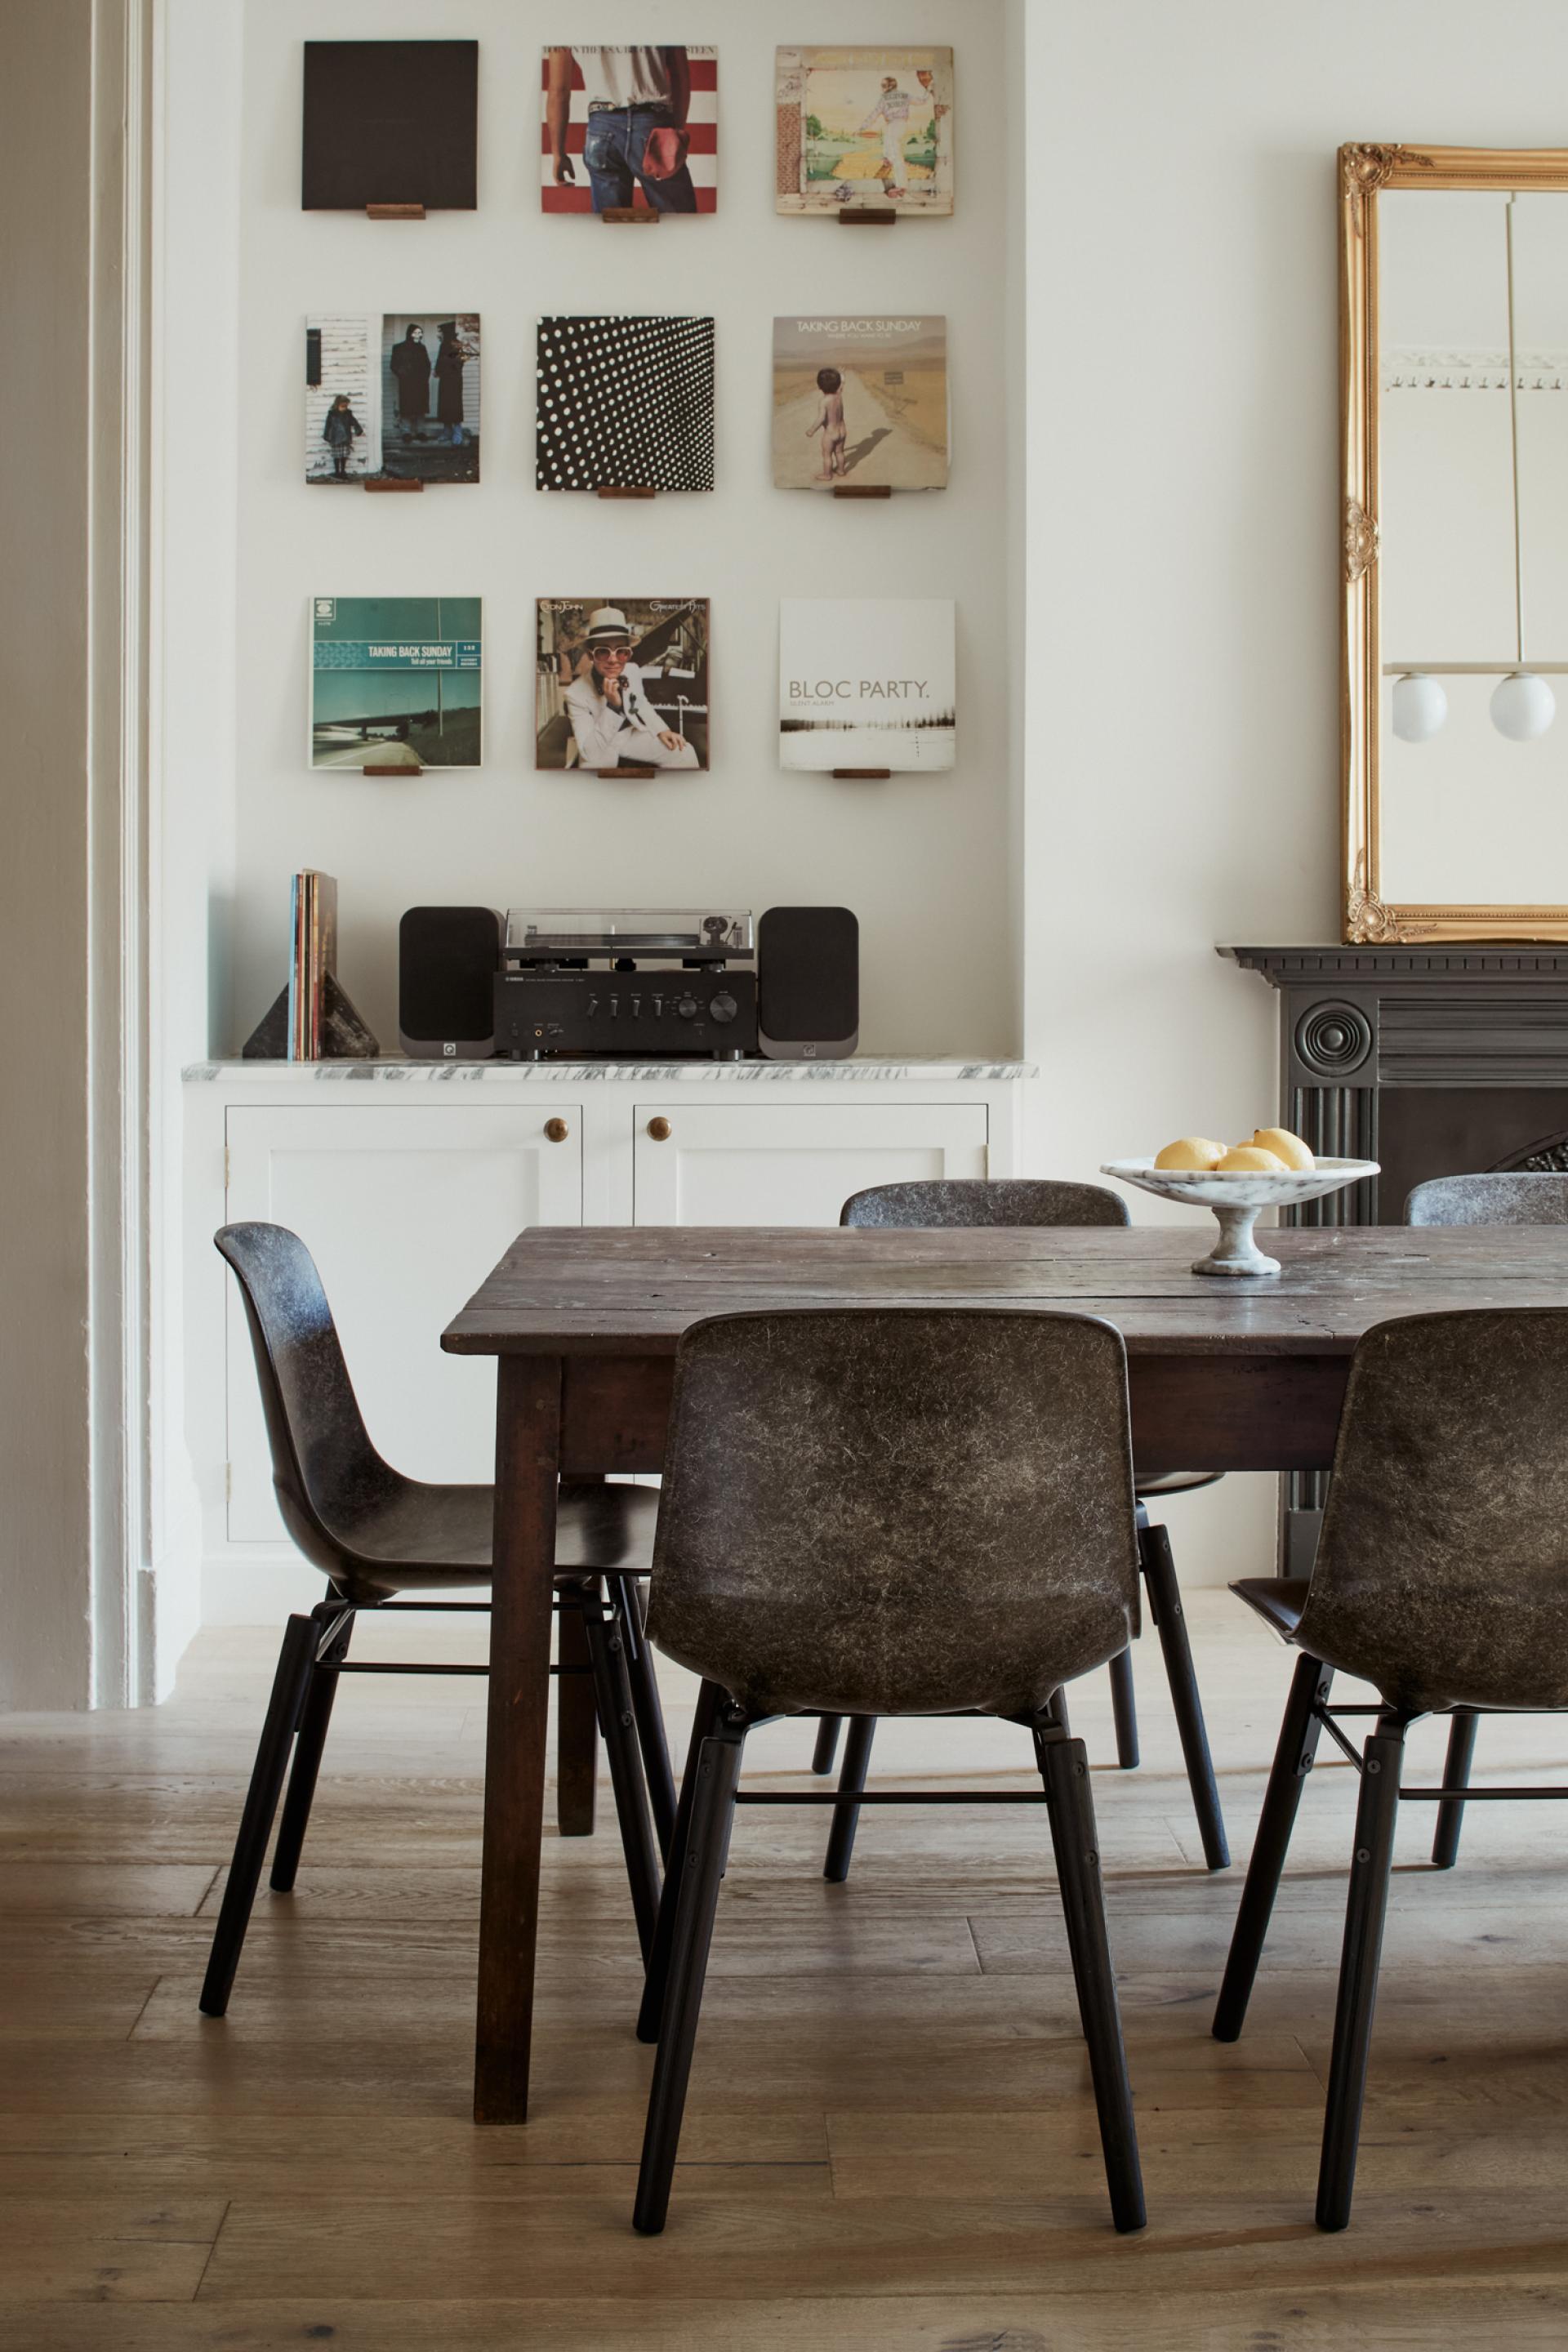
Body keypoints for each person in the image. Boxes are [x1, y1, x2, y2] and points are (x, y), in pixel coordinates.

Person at [546, 46, 697, 215]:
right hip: (652, 121)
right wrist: (674, 136)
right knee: (680, 222)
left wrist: (558, 153)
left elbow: (558, 91)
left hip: (601, 129)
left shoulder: (566, 24)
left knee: (612, 229)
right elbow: (680, 76)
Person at [559, 608, 700, 769]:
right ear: (591, 656)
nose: (613, 660)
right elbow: (590, 753)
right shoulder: (574, 695)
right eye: (603, 651)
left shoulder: (632, 670)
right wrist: (613, 707)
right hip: (599, 744)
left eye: (621, 652)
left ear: (628, 654)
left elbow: (640, 702)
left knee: (685, 752)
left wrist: (662, 730)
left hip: (630, 735)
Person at [858, 74, 912, 197]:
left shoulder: (884, 99)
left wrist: (862, 127)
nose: (881, 87)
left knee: (896, 153)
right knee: (887, 138)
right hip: (898, 125)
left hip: (895, 125)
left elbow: (874, 115)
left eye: (883, 85)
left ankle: (901, 186)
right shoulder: (905, 95)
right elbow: (921, 101)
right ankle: (888, 159)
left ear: (890, 85)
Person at [389, 323, 432, 439]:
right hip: (406, 383)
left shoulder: (422, 348)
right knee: (406, 407)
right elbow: (394, 365)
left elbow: (427, 365)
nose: (418, 335)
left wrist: (424, 378)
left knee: (420, 407)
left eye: (420, 333)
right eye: (416, 333)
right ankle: (406, 432)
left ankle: (420, 431)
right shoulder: (399, 348)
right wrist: (403, 375)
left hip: (420, 383)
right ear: (410, 333)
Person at [805, 367, 847, 481]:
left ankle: (827, 475)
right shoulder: (839, 395)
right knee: (839, 452)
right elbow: (842, 384)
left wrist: (812, 430)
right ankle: (841, 470)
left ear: (819, 386)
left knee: (827, 455)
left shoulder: (824, 401)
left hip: (830, 433)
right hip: (842, 431)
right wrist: (842, 374)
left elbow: (821, 418)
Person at [434, 322, 470, 446]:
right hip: (445, 380)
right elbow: (440, 361)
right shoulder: (443, 345)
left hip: (454, 380)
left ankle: (457, 433)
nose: (439, 334)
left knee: (455, 405)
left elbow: (464, 359)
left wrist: (449, 362)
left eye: (441, 332)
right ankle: (447, 432)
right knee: (445, 405)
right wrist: (437, 370)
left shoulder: (458, 345)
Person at [321, 394, 364, 479]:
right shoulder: (332, 414)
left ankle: (343, 472)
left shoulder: (348, 413)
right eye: (342, 406)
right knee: (337, 456)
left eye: (346, 406)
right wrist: (326, 436)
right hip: (335, 438)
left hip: (345, 438)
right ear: (337, 405)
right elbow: (328, 425)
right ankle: (337, 472)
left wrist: (359, 431)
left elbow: (354, 422)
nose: (345, 408)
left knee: (344, 455)